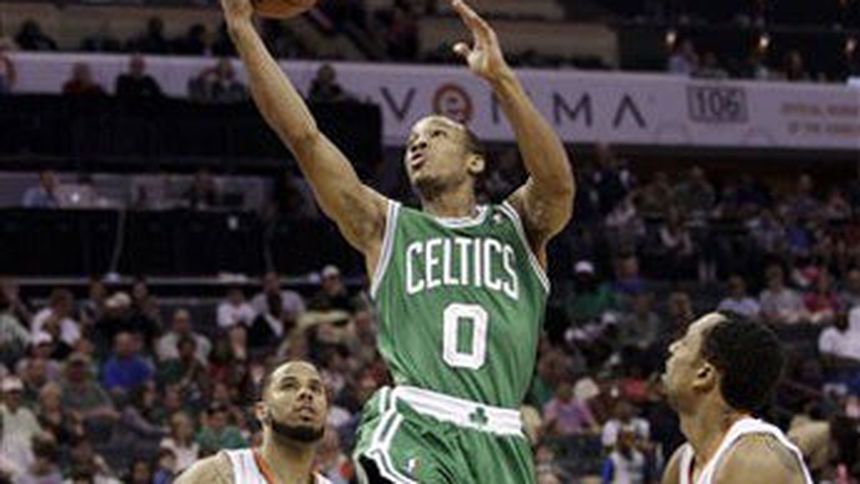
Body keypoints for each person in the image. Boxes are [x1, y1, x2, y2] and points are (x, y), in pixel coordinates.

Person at [221, 0, 574, 480]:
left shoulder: (518, 226)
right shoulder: (385, 226)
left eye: (437, 134)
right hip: (417, 424)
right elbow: (305, 138)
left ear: (475, 161)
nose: (418, 144)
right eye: (411, 142)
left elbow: (556, 184)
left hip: (502, 436)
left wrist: (502, 81)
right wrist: (243, 30)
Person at [661, 312, 813, 484]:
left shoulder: (756, 462)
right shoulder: (682, 462)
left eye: (684, 343)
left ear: (704, 374)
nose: (672, 347)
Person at [176, 360, 332, 483]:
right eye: (289, 386)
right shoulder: (219, 475)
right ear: (262, 411)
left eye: (315, 388)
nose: (306, 393)